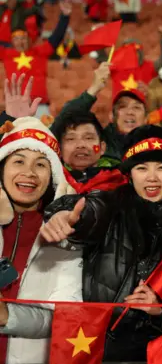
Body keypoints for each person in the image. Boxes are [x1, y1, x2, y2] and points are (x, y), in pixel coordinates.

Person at [16, 125, 162, 361]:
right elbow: (87, 210)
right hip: (96, 347)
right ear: (129, 175)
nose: (152, 177)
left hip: (158, 350)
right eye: (141, 168)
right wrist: (65, 215)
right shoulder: (110, 204)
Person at [0, 115, 76, 364]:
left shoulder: (65, 235)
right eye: (18, 161)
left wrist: (7, 316)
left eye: (41, 165)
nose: (29, 173)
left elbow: (63, 320)